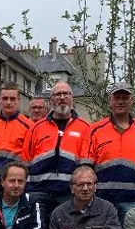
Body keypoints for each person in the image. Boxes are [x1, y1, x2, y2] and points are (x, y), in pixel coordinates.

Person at [84, 82, 135, 222]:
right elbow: (86, 168)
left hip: (132, 202)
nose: (121, 101)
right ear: (110, 100)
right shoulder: (95, 130)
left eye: (125, 98)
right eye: (117, 98)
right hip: (100, 200)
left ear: (132, 100)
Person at [22, 81, 91, 219]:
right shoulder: (36, 128)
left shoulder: (85, 128)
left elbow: (86, 164)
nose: (62, 97)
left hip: (68, 193)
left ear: (72, 98)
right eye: (58, 94)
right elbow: (25, 161)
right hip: (38, 191)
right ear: (51, 100)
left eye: (66, 94)